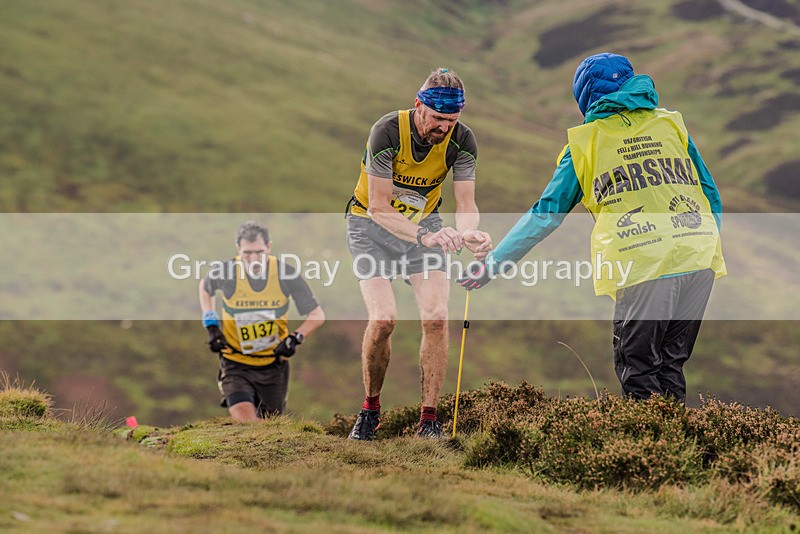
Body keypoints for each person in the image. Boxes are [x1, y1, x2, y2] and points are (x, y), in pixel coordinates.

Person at [459, 53, 726, 403]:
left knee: (639, 366)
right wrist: (702, 243)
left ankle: (650, 454)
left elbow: (545, 215)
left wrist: (493, 265)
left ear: (585, 98)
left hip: (644, 262)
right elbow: (711, 194)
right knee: (670, 364)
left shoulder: (585, 143)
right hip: (699, 257)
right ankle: (678, 452)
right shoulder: (670, 124)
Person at [345, 67, 492, 440]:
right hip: (370, 228)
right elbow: (379, 207)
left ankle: (429, 420)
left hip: (426, 226)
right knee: (383, 320)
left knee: (437, 318)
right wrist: (425, 237)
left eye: (452, 120)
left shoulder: (463, 140)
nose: (444, 127)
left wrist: (468, 233)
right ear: (418, 106)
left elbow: (465, 201)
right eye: (438, 118)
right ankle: (370, 409)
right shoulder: (388, 131)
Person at [199, 221, 325, 421]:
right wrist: (211, 324)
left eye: (259, 252)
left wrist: (295, 338)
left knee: (268, 426)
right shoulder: (227, 271)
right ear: (238, 249)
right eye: (247, 253)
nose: (254, 259)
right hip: (234, 363)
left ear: (269, 247)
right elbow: (205, 288)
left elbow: (317, 315)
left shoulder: (286, 274)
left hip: (273, 365)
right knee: (246, 419)